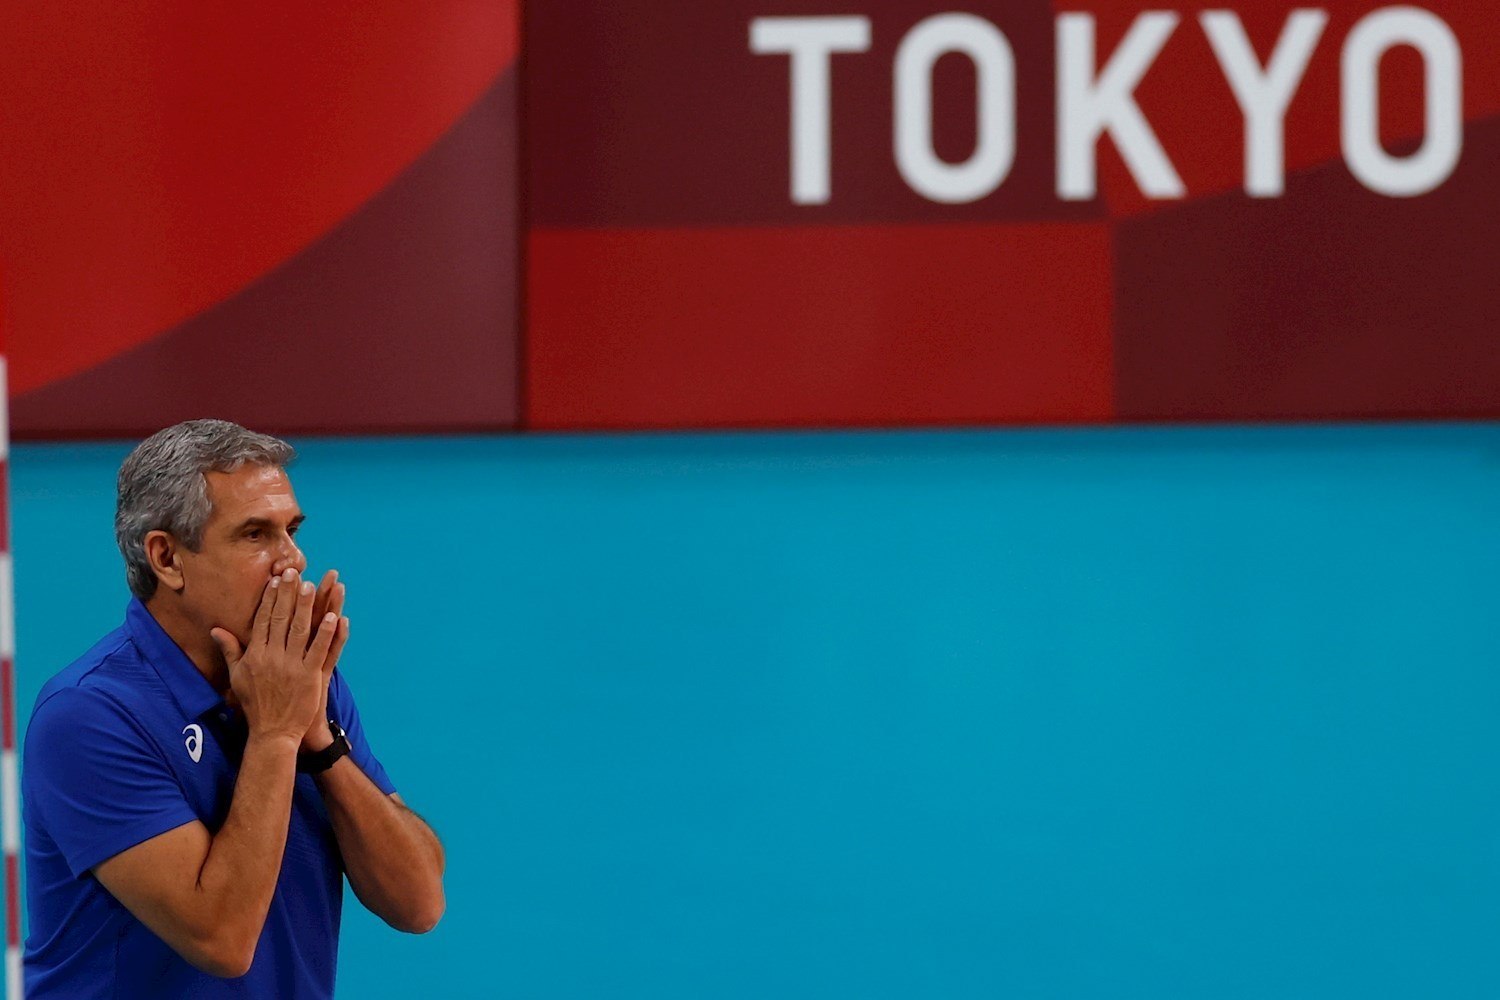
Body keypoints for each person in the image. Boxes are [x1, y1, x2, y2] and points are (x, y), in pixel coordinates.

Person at [21, 419, 445, 998]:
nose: (292, 560)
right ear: (167, 558)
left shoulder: (296, 680)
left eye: (291, 530)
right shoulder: (87, 716)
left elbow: (418, 902)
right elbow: (221, 940)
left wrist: (319, 738)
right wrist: (275, 734)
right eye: (255, 535)